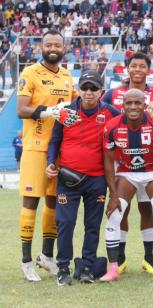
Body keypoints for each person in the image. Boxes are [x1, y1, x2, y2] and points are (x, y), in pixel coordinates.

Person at [16, 29, 79, 282]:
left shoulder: (66, 76)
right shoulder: (30, 72)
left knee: (54, 203)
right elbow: (21, 110)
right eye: (49, 44)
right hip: (35, 148)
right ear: (41, 47)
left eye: (58, 45)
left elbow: (74, 106)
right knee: (31, 202)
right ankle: (26, 261)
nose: (53, 48)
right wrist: (49, 111)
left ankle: (46, 256)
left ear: (64, 49)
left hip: (60, 149)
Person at [46, 70, 120, 285]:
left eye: (93, 88)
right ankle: (63, 268)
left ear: (101, 91)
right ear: (78, 90)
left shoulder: (111, 113)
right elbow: (54, 141)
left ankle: (87, 267)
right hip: (68, 179)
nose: (88, 93)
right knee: (66, 223)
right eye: (85, 88)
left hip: (97, 179)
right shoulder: (66, 112)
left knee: (92, 224)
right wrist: (51, 162)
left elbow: (129, 123)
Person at [101, 51, 153, 275]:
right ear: (127, 68)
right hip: (124, 163)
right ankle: (119, 258)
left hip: (151, 164)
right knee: (123, 209)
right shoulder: (113, 93)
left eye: (142, 66)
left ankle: (149, 258)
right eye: (133, 66)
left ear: (148, 70)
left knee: (147, 208)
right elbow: (106, 114)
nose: (137, 69)